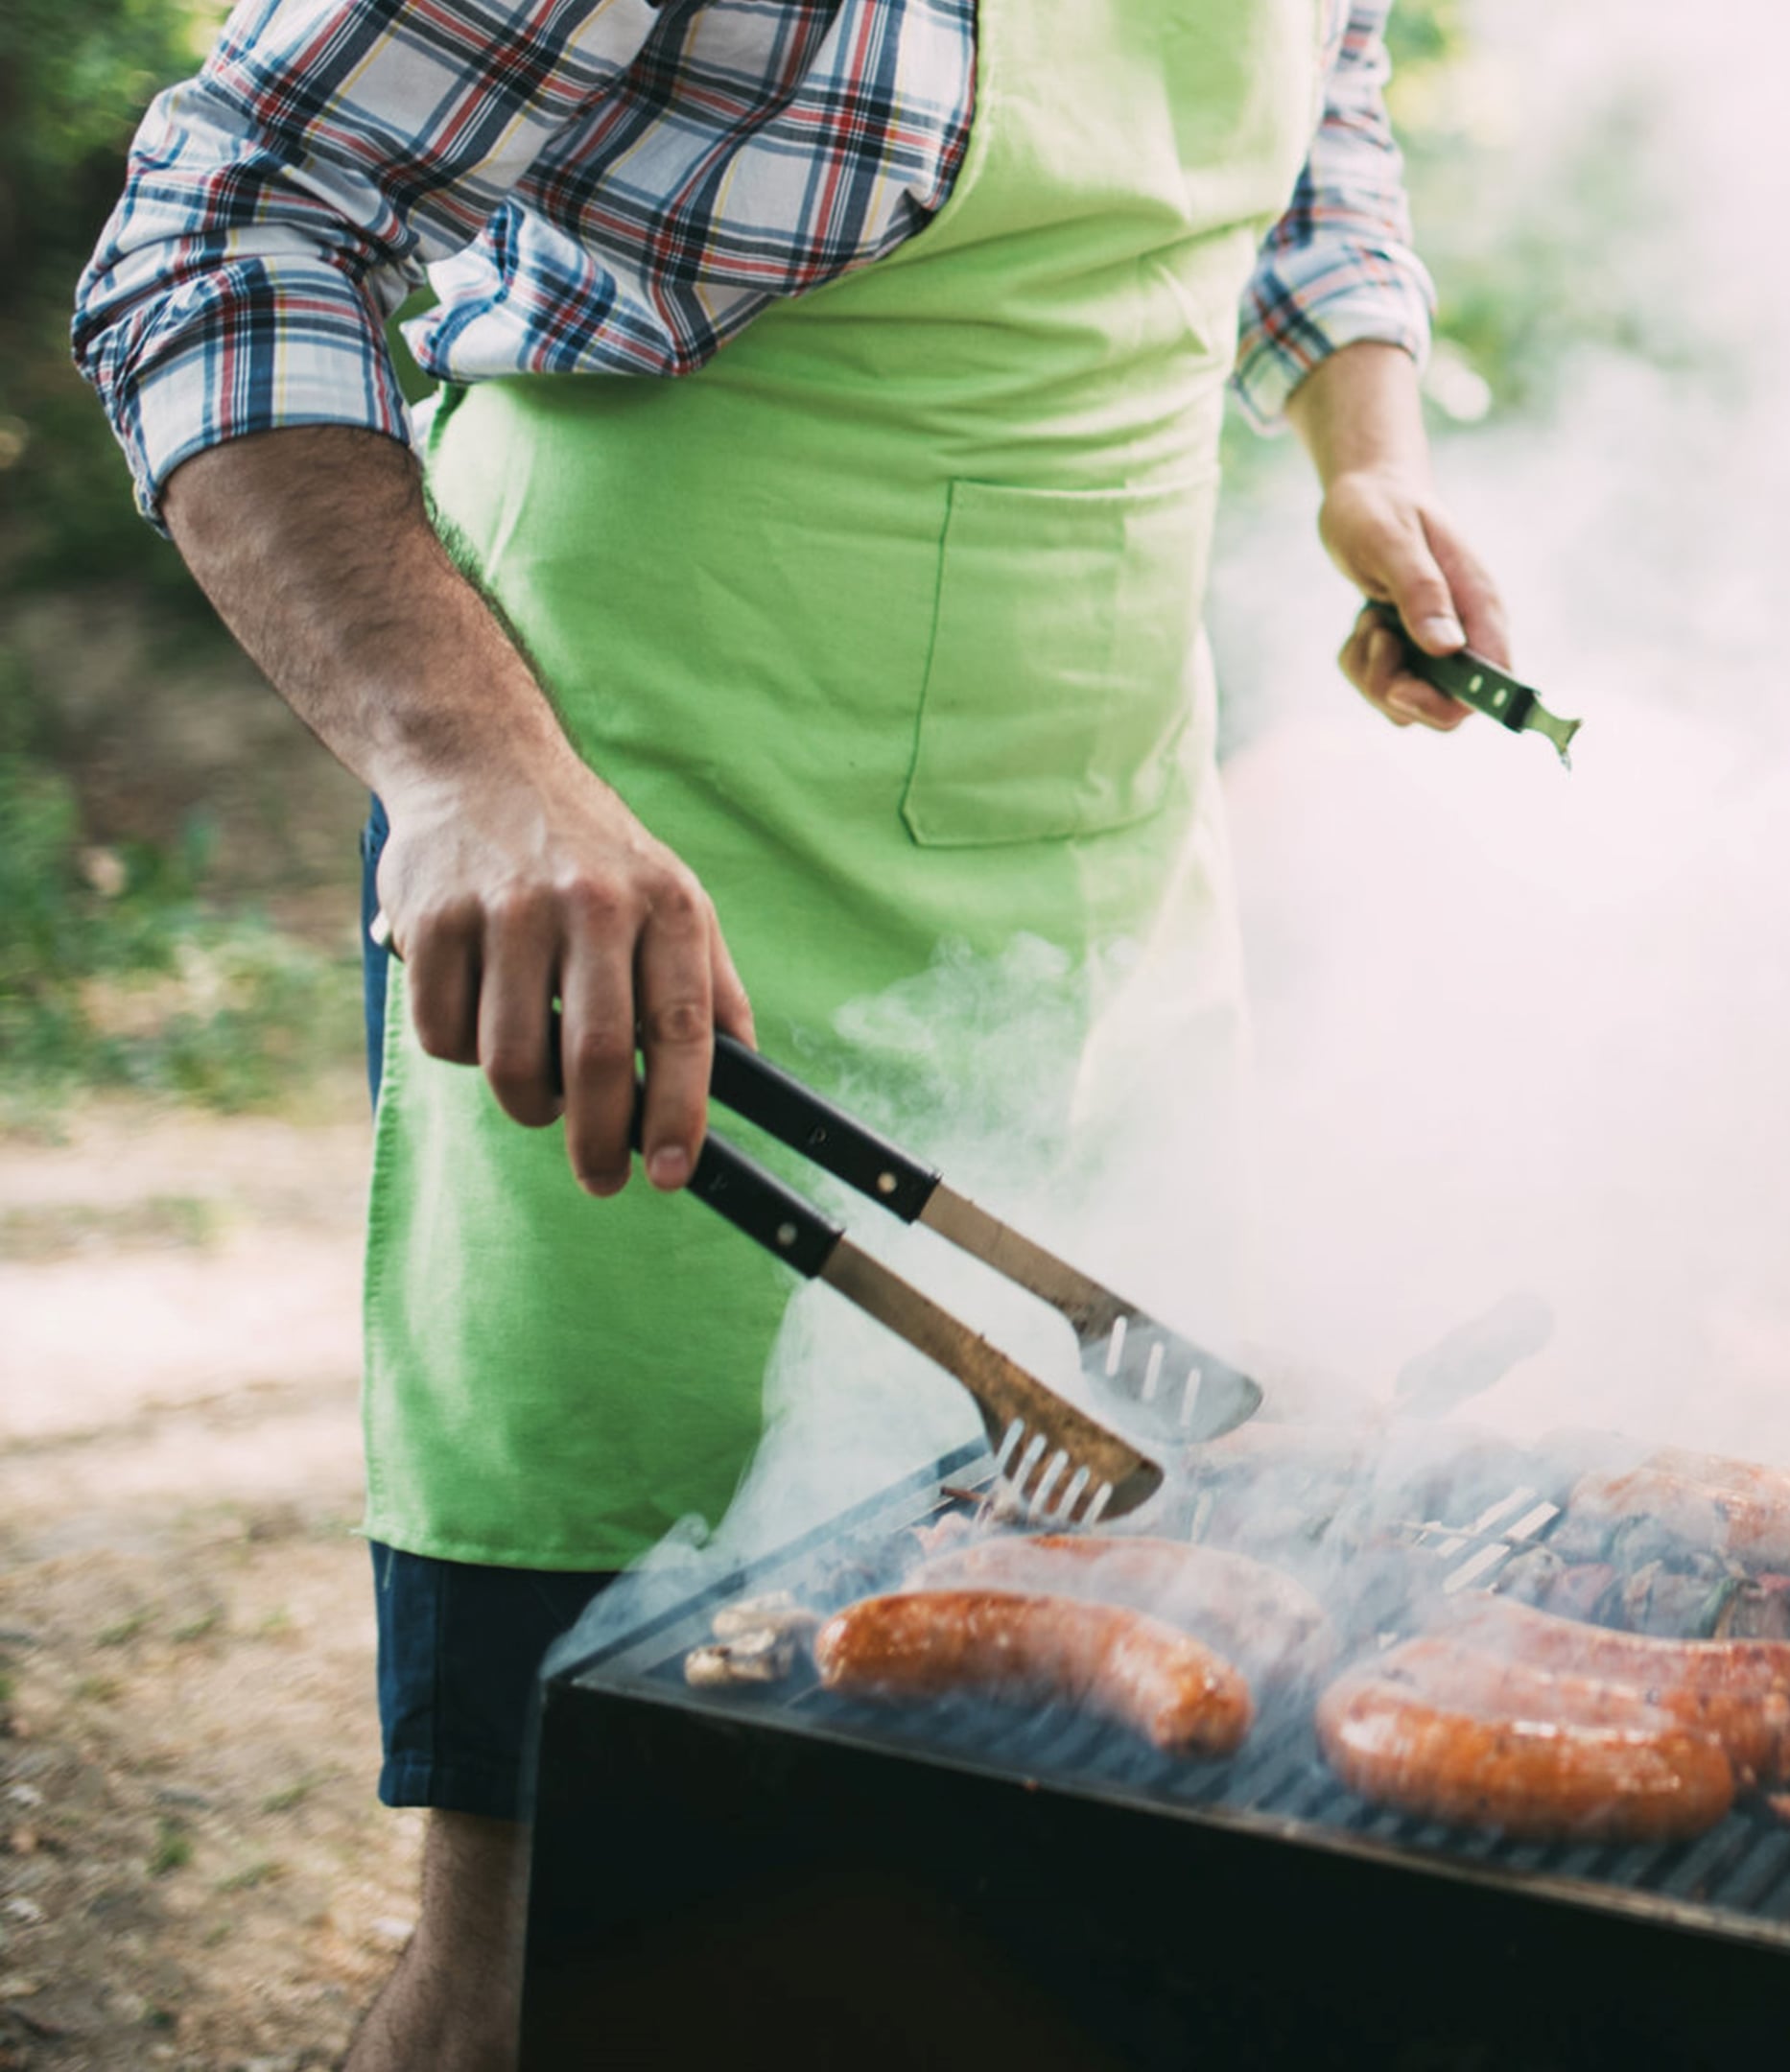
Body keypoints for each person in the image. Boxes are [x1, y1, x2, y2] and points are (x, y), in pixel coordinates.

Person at [71, 3, 1505, 2064]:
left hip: (1097, 865)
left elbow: (1321, 122)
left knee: (1050, 1882)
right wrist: (466, 769)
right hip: (649, 837)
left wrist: (1371, 458)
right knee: (575, 1947)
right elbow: (225, 211)